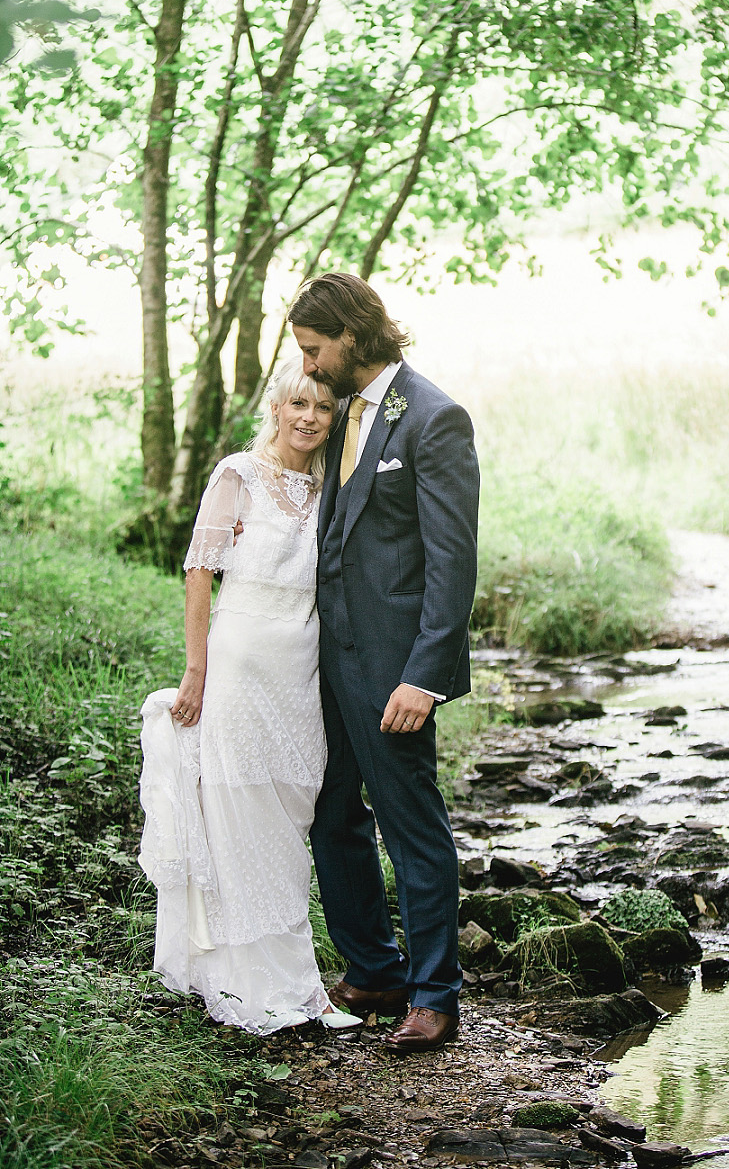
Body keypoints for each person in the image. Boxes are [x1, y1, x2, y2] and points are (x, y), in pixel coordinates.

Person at [138, 359, 362, 1036]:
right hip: (238, 663)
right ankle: (241, 982)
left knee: (289, 818)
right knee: (237, 816)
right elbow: (199, 576)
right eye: (299, 403)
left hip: (301, 668)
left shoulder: (334, 486)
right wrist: (195, 673)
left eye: (323, 409)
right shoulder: (238, 475)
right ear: (276, 406)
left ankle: (297, 981)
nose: (309, 418)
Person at [288, 272, 480, 1055]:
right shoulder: (334, 413)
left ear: (357, 333)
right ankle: (373, 970)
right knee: (331, 815)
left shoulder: (434, 418)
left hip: (396, 667)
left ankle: (436, 996)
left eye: (315, 347)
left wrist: (424, 676)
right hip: (319, 658)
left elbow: (452, 561)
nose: (307, 365)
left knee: (411, 824)